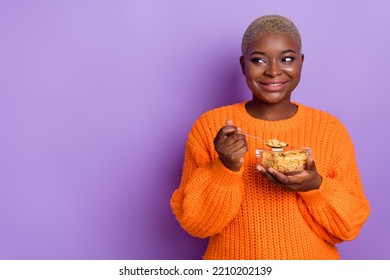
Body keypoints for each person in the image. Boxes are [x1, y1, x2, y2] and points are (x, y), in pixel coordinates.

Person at [170, 15, 370, 260]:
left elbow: (348, 227)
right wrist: (225, 167)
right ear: (243, 65)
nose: (274, 71)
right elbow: (197, 225)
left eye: (287, 59)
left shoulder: (329, 129)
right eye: (259, 60)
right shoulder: (211, 126)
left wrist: (314, 186)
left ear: (301, 63)